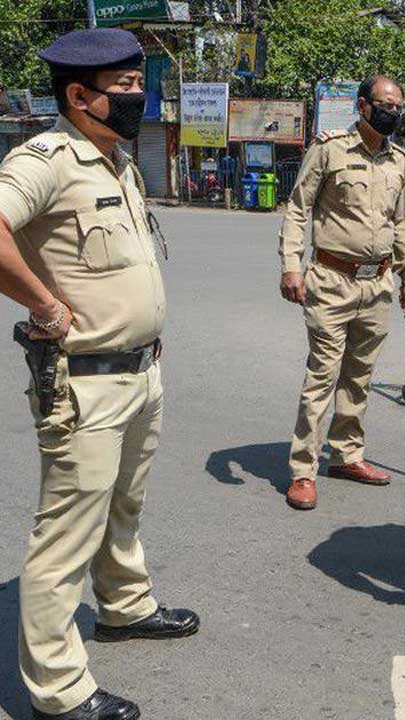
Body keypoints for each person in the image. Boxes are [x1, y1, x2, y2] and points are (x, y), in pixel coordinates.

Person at [0, 28, 201, 720]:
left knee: (124, 506)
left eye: (140, 85)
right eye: (125, 89)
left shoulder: (116, 162)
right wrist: (47, 307)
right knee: (66, 534)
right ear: (79, 96)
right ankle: (58, 693)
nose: (138, 98)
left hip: (138, 371)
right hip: (83, 383)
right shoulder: (49, 159)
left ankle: (124, 605)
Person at [278, 75, 405, 510]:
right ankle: (304, 469)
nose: (392, 112)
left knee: (359, 377)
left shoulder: (400, 160)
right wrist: (290, 265)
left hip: (377, 285)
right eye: (385, 104)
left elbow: (403, 223)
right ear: (362, 106)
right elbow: (299, 208)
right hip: (331, 281)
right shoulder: (331, 148)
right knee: (322, 376)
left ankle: (347, 454)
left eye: (399, 106)